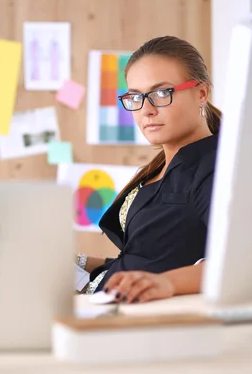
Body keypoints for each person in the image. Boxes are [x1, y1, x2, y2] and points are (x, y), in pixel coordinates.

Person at [75, 36, 222, 304]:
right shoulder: (160, 166)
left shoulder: (214, 168)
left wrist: (168, 283)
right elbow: (147, 259)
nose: (146, 110)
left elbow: (236, 261)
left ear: (201, 93)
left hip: (142, 318)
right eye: (135, 97)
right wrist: (79, 263)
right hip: (102, 302)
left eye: (162, 93)